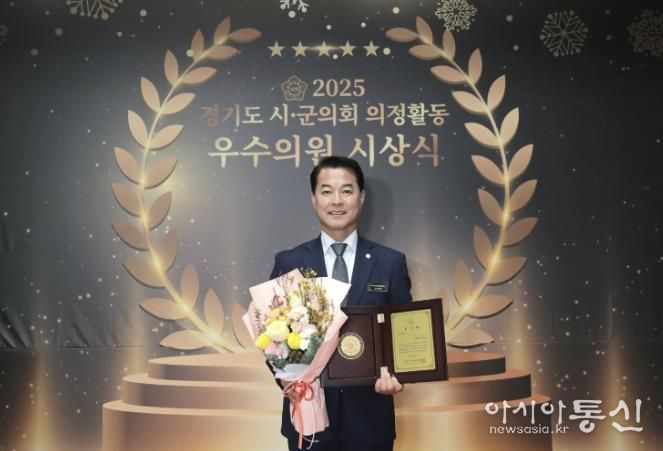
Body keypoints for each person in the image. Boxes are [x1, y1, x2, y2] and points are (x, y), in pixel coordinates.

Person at [270, 156, 412, 451]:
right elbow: (273, 334)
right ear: (313, 198)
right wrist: (286, 380)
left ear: (361, 197)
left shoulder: (390, 263)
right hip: (308, 413)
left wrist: (399, 374)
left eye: (347, 190)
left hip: (370, 418)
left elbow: (403, 333)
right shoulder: (290, 262)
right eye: (327, 191)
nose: (337, 200)